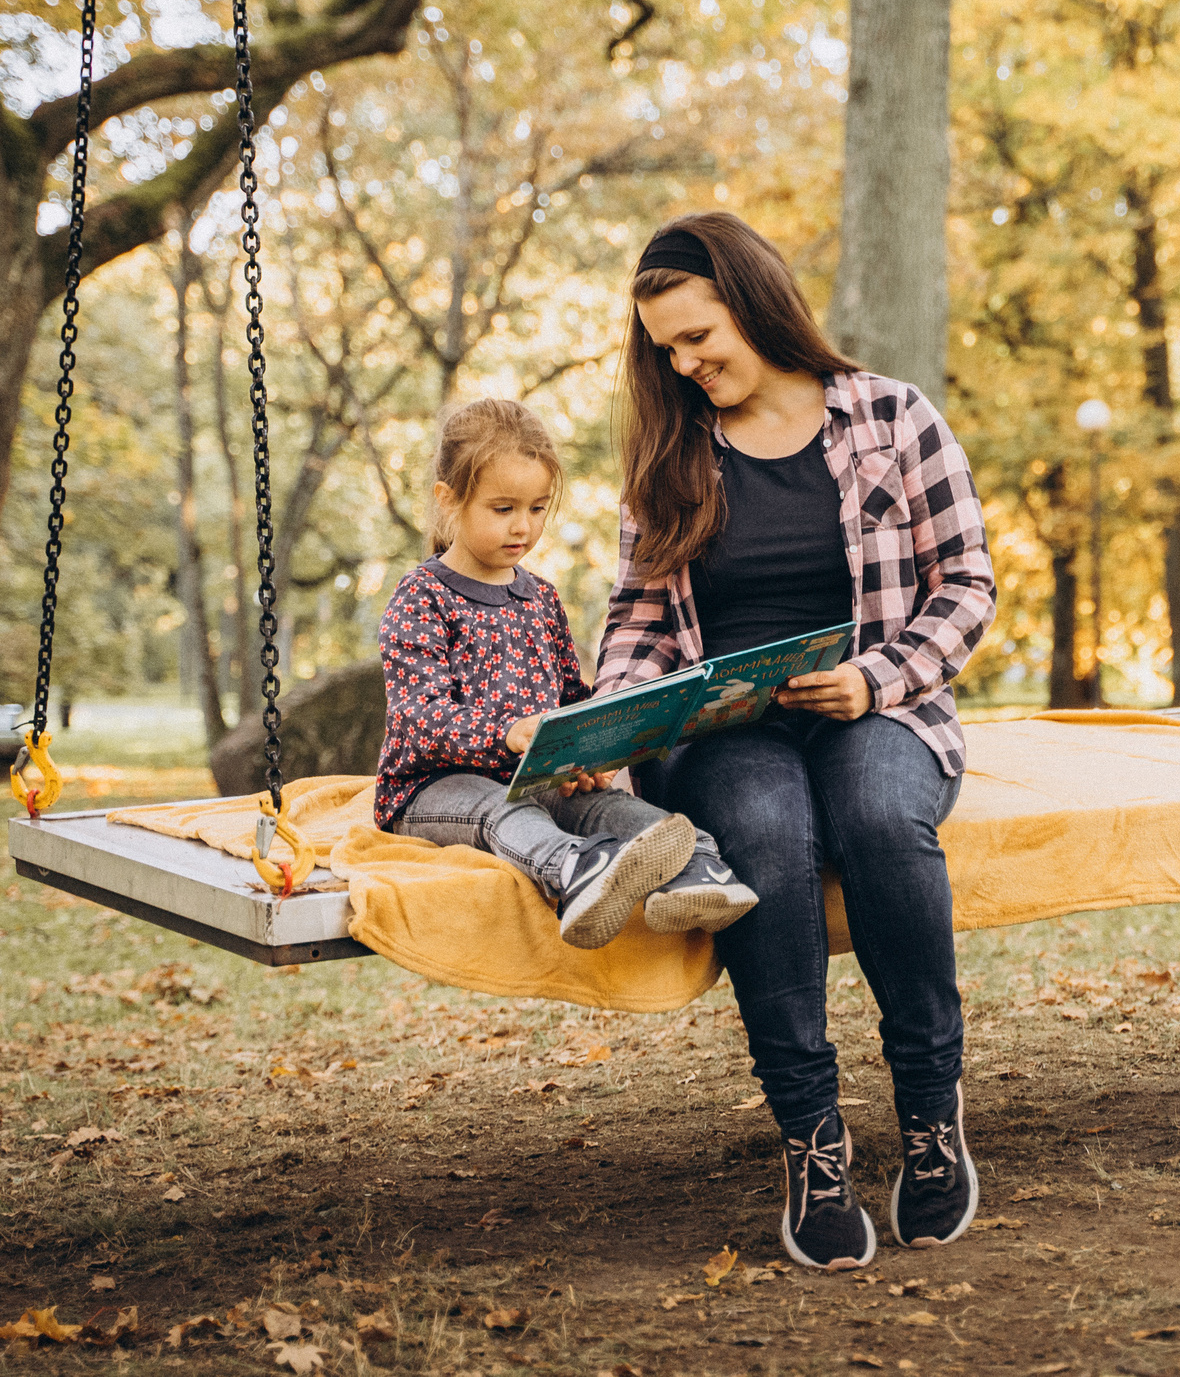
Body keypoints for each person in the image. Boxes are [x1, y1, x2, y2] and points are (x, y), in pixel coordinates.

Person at [599, 213, 996, 1271]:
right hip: (727, 733)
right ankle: (812, 1137)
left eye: (698, 337)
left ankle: (930, 1108)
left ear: (753, 302)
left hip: (878, 708)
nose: (685, 365)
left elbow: (966, 584)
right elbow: (637, 624)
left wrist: (875, 678)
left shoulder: (892, 419)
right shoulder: (670, 457)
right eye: (667, 350)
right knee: (765, 834)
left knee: (877, 813)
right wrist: (614, 716)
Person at [375, 398, 758, 949]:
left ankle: (696, 866)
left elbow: (570, 695)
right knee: (502, 810)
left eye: (537, 508)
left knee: (605, 805)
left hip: (530, 776)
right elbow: (419, 717)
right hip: (431, 790)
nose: (524, 526)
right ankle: (576, 869)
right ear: (449, 500)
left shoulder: (541, 598)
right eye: (503, 509)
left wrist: (587, 750)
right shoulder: (422, 596)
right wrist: (506, 734)